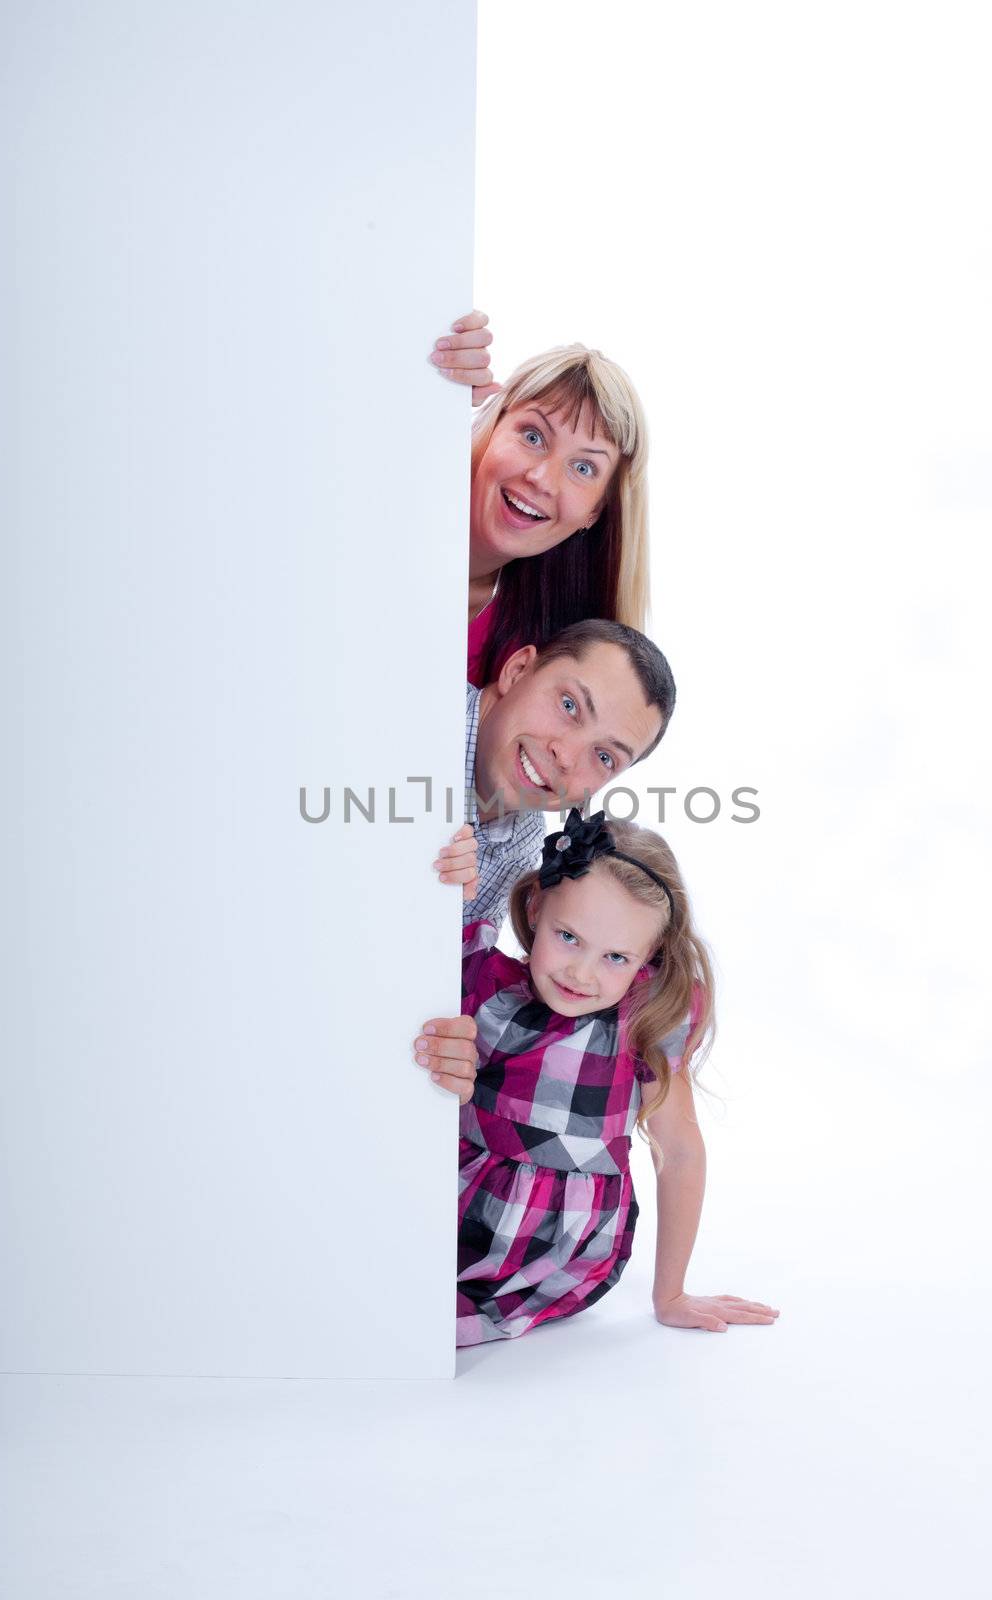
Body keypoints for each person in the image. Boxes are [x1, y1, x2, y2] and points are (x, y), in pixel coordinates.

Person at [413, 807, 779, 1346]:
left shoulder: (644, 1021)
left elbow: (679, 1151)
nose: (581, 973)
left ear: (647, 955)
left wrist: (670, 1295)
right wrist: (447, 883)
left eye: (615, 956)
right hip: (447, 1215)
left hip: (556, 1255)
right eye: (568, 936)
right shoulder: (484, 985)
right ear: (536, 908)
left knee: (420, 1333)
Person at [429, 312, 651, 687]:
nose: (541, 479)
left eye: (582, 468)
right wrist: (419, 375)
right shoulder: (397, 494)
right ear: (493, 423)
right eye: (533, 437)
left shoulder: (531, 658)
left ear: (595, 512)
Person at [435, 617, 677, 933]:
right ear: (518, 670)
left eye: (604, 757)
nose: (564, 756)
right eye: (569, 705)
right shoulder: (420, 709)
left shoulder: (524, 846)